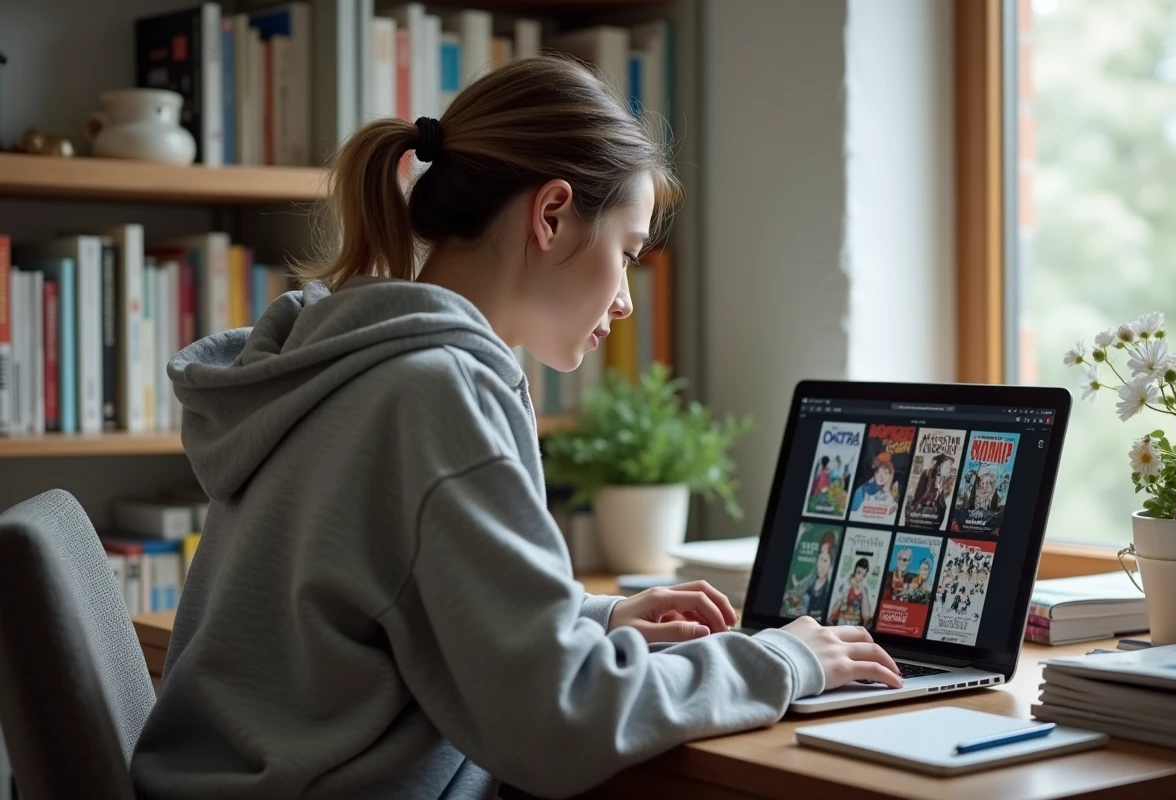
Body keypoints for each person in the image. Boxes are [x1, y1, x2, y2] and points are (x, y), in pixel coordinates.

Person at [129, 56, 901, 800]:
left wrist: (596, 617)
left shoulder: (346, 360)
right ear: (552, 215)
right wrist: (782, 661)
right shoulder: (437, 392)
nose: (626, 301)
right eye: (627, 254)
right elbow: (558, 723)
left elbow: (401, 610)